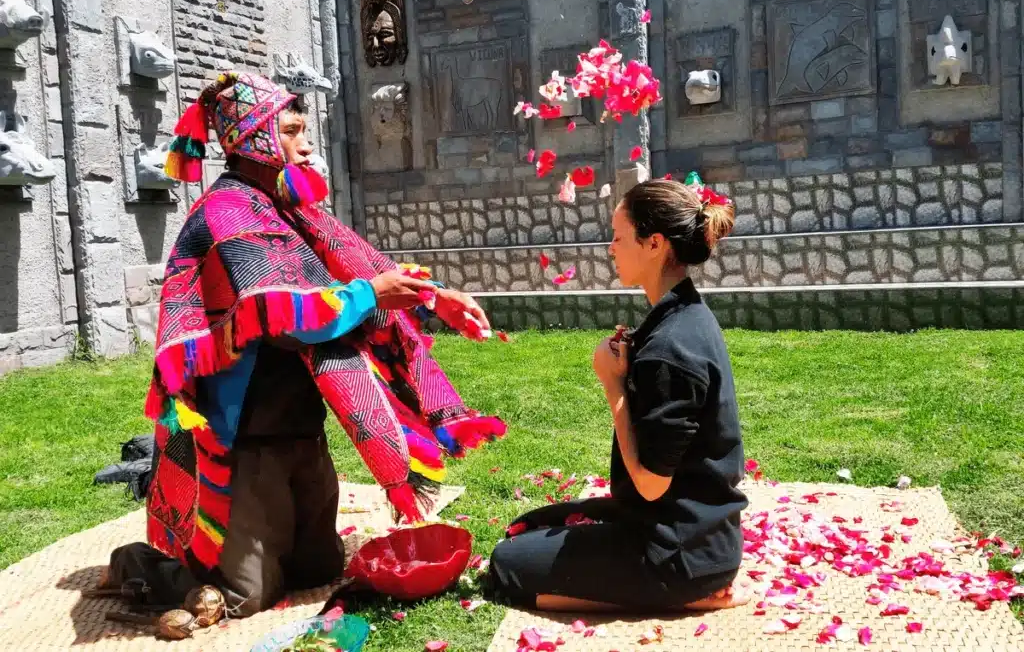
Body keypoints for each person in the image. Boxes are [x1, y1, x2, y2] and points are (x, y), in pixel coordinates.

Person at [104, 72, 506, 617]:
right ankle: (137, 563)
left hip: (301, 423)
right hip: (244, 433)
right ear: (253, 139)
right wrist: (373, 295)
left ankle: (261, 543)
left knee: (321, 568)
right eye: (292, 130)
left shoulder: (293, 211)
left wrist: (435, 297)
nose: (308, 143)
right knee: (245, 597)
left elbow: (361, 268)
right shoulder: (227, 213)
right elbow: (287, 317)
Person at [485, 177, 749, 613]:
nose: (610, 248)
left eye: (619, 237)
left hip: (676, 552)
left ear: (654, 244)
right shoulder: (683, 315)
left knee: (505, 566)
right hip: (691, 529)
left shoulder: (671, 349)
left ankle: (689, 598)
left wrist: (614, 387)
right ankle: (678, 586)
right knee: (529, 526)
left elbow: (649, 483)